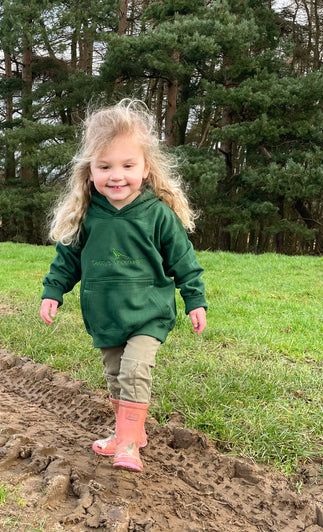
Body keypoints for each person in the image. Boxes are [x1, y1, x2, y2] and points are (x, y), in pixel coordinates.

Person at [40, 99, 207, 472]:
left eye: (128, 166)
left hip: (149, 313)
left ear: (146, 169)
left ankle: (129, 445)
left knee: (134, 370)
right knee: (116, 377)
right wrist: (53, 292)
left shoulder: (158, 215)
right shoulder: (87, 216)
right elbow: (67, 260)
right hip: (105, 315)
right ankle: (128, 432)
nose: (117, 176)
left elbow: (185, 261)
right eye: (105, 167)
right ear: (90, 171)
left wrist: (195, 300)